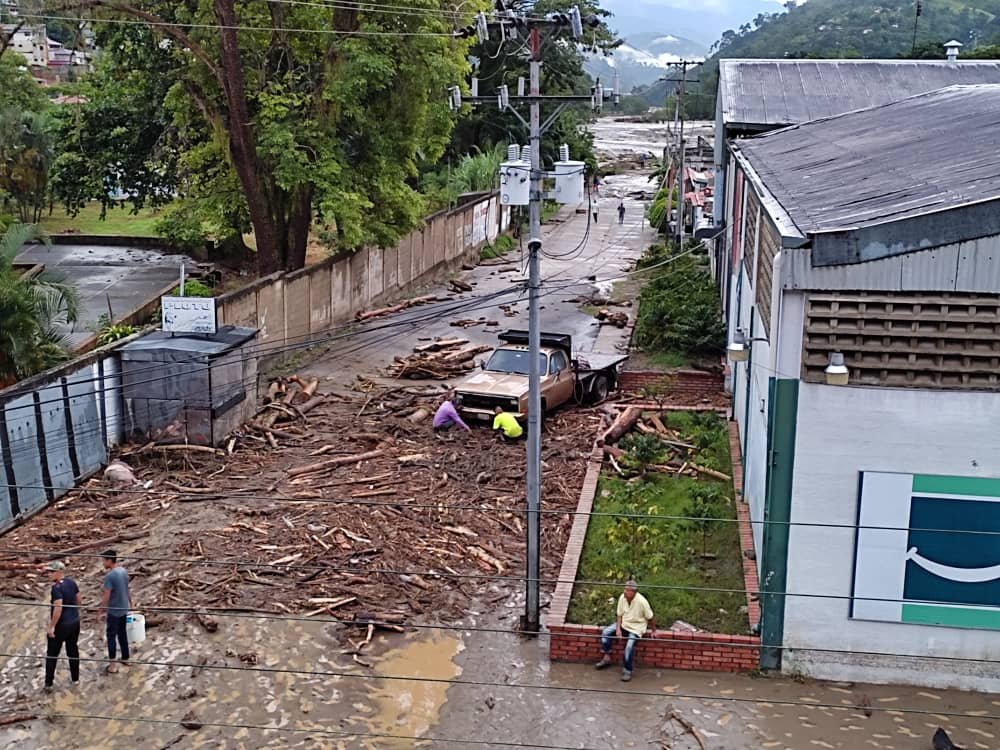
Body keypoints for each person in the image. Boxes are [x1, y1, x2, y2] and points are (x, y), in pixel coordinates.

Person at [594, 580, 656, 682]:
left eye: (627, 590)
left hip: (636, 628)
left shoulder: (642, 602)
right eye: (625, 589)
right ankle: (607, 656)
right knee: (606, 633)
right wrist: (618, 629)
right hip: (624, 624)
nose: (625, 592)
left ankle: (627, 670)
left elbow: (651, 617)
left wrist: (654, 631)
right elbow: (619, 615)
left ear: (634, 592)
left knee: (629, 647)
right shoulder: (622, 597)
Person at [44, 561, 80, 690]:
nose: (48, 574)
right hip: (75, 622)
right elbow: (78, 599)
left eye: (51, 572)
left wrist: (52, 626)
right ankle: (75, 679)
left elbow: (58, 607)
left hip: (62, 626)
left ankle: (48, 684)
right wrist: (74, 613)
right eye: (48, 571)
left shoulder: (56, 588)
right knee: (73, 651)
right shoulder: (72, 583)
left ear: (59, 572)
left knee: (52, 654)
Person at [99, 550, 133, 674]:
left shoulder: (110, 576)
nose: (102, 563)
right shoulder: (123, 571)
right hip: (124, 608)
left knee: (111, 636)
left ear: (109, 560)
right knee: (122, 633)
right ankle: (126, 658)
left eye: (103, 560)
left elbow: (106, 595)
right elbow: (127, 588)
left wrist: (100, 610)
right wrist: (131, 603)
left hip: (114, 611)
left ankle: (112, 665)